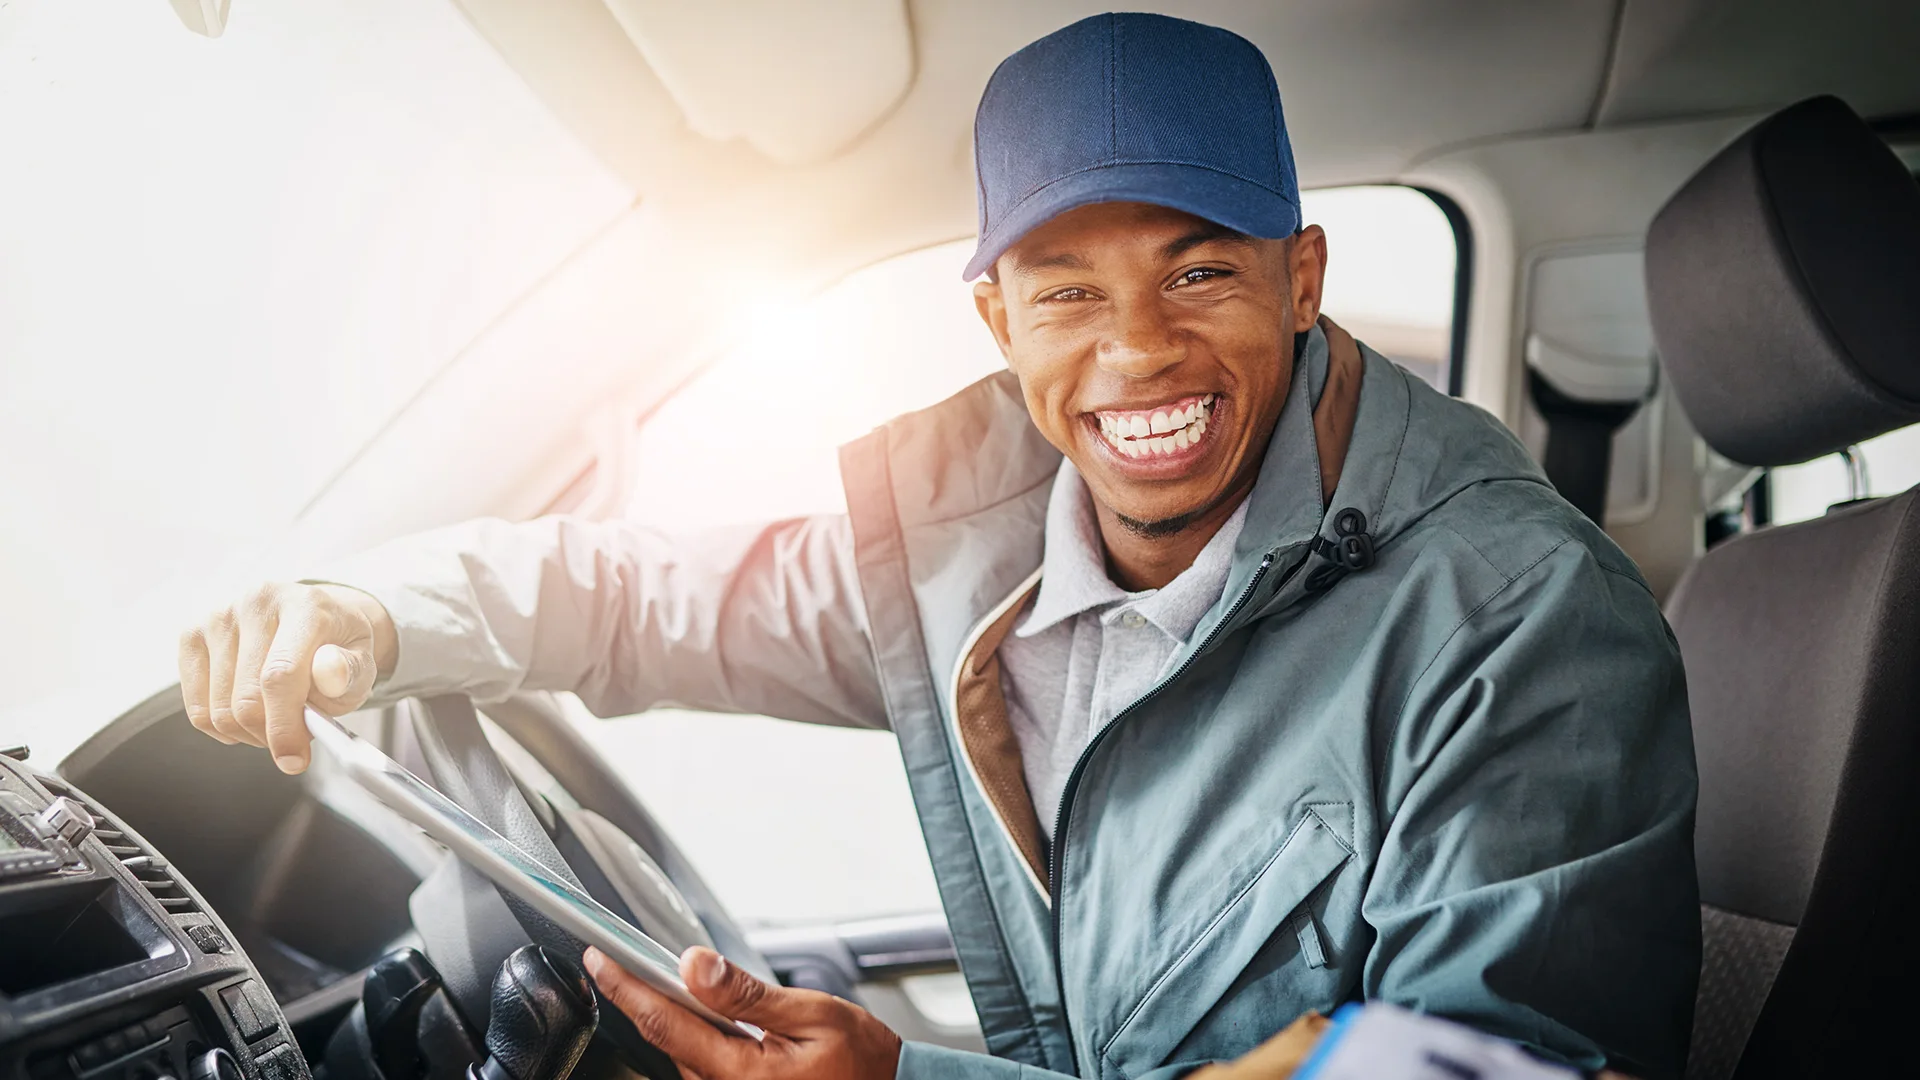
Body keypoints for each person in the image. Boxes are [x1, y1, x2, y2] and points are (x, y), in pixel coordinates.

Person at [177, 13, 1700, 1080]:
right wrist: (365, 607)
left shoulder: (1524, 625)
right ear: (996, 318)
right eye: (1067, 293)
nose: (1140, 355)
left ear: (1301, 280)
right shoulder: (978, 559)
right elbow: (641, 598)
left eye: (1200, 273)